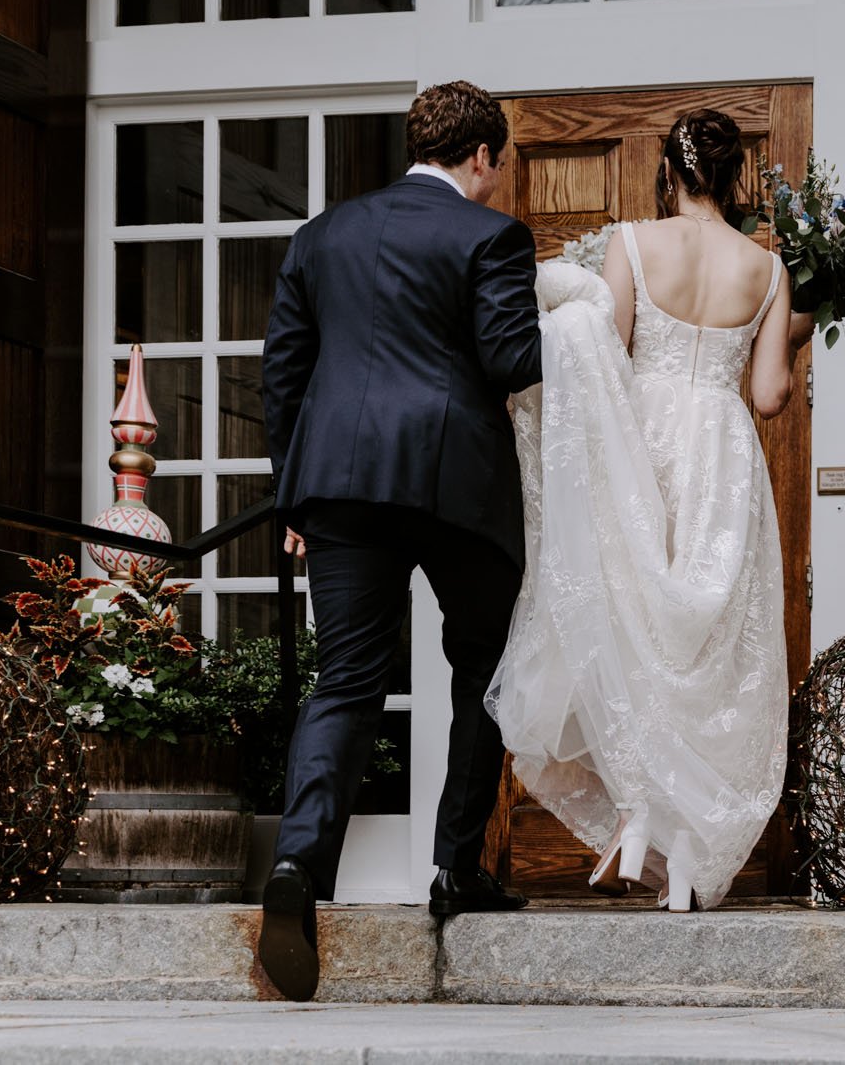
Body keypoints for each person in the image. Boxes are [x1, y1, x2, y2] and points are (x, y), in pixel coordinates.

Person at [487, 108, 815, 912]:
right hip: (723, 454)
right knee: (708, 649)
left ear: (669, 171)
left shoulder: (632, 242)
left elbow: (607, 354)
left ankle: (638, 816)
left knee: (638, 630)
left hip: (646, 446)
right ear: (735, 177)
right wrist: (801, 327)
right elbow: (770, 397)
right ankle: (688, 850)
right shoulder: (769, 270)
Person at [257, 80, 541, 1002]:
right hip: (454, 483)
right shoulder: (490, 235)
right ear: (484, 156)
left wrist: (293, 494)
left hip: (337, 483)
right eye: (499, 165)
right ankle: (457, 868)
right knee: (482, 670)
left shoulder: (321, 236)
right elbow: (510, 361)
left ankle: (298, 867)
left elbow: (284, 375)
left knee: (346, 680)